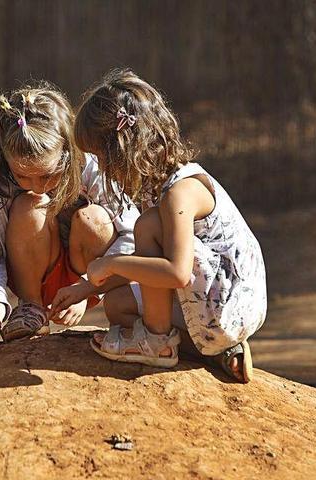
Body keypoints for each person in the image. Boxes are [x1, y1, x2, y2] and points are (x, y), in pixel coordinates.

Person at [73, 69, 267, 382]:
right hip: (220, 307)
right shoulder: (159, 187)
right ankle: (215, 350)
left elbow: (175, 272)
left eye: (101, 156)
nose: (103, 169)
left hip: (227, 306)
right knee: (117, 306)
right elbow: (154, 269)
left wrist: (110, 262)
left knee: (147, 225)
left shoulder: (180, 193)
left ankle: (156, 342)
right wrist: (84, 288)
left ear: (120, 149)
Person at [0, 82, 139, 341]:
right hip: (32, 268)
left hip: (86, 275)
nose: (36, 185)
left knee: (95, 219)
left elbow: (132, 235)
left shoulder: (90, 166)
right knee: (29, 204)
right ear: (5, 159)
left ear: (67, 154)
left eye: (47, 175)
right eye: (22, 176)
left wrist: (88, 289)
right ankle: (31, 308)